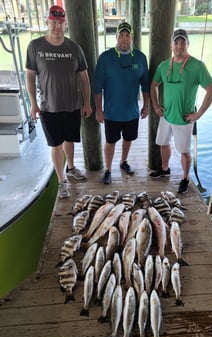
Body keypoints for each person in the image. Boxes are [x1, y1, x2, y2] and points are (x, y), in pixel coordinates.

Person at [26, 5, 92, 198]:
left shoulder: (74, 48)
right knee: (55, 145)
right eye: (53, 22)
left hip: (72, 105)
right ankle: (61, 181)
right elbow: (29, 77)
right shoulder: (35, 47)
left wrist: (86, 103)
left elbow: (85, 79)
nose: (57, 27)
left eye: (60, 23)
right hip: (49, 107)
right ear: (47, 23)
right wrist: (33, 103)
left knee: (70, 139)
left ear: (66, 25)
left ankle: (71, 168)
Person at [150, 28, 212, 193]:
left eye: (183, 42)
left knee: (184, 151)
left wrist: (199, 113)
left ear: (188, 44)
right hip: (166, 115)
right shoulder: (164, 65)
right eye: (176, 42)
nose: (179, 46)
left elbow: (211, 90)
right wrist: (156, 105)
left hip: (184, 118)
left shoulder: (197, 66)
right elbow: (154, 85)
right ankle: (165, 169)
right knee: (163, 143)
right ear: (171, 45)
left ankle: (185, 178)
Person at [94, 22, 149, 184]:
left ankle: (123, 161)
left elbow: (146, 84)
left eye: (127, 35)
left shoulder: (140, 57)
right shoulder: (105, 58)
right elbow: (97, 87)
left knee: (128, 138)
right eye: (121, 35)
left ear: (132, 37)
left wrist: (146, 105)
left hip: (132, 111)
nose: (124, 39)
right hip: (111, 112)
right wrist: (99, 109)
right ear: (116, 37)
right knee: (110, 141)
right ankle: (108, 169)